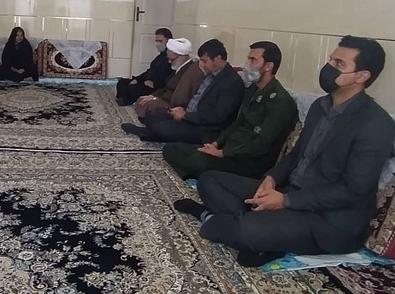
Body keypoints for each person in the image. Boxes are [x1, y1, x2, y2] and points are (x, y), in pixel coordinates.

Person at [174, 35, 395, 267]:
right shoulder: (320, 106)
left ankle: (211, 217)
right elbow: (297, 154)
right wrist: (271, 179)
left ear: (361, 76)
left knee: (244, 230)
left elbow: (353, 192)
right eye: (331, 60)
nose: (329, 68)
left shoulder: (375, 124)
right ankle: (265, 235)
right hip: (289, 191)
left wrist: (286, 201)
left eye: (339, 64)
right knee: (210, 181)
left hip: (328, 220)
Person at [163, 41, 298, 179]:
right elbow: (237, 123)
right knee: (171, 149)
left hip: (247, 161)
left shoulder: (280, 102)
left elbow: (260, 145)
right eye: (248, 59)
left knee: (198, 160)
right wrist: (215, 145)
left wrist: (222, 153)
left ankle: (204, 176)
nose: (248, 64)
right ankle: (199, 174)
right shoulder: (253, 90)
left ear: (268, 66)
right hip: (229, 149)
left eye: (253, 60)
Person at [125, 39, 245, 143]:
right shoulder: (211, 74)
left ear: (217, 58)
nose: (202, 65)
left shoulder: (231, 81)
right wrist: (181, 110)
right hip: (189, 117)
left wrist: (186, 116)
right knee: (153, 115)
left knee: (162, 128)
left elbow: (218, 117)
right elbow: (196, 97)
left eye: (204, 61)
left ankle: (149, 133)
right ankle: (151, 132)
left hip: (204, 128)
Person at [115, 28, 174, 106]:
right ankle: (125, 98)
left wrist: (155, 84)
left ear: (168, 41)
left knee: (133, 89)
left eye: (160, 41)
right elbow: (150, 71)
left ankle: (129, 100)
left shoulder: (171, 57)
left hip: (156, 87)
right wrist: (137, 79)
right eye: (156, 41)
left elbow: (169, 78)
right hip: (146, 81)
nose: (157, 44)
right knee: (122, 83)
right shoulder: (160, 56)